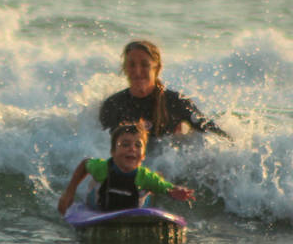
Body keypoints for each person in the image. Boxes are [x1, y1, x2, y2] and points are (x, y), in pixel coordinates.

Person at [99, 40, 229, 140]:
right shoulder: (113, 105)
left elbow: (214, 132)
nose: (137, 71)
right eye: (132, 65)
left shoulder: (176, 102)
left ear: (157, 68)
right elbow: (102, 147)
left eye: (145, 65)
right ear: (125, 68)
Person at [57, 123, 196, 215]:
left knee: (154, 184)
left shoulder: (144, 176)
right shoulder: (103, 168)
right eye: (125, 144)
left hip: (136, 199)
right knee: (96, 182)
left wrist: (174, 190)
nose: (132, 149)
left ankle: (152, 188)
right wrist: (69, 193)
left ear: (143, 156)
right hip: (99, 202)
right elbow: (85, 164)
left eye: (138, 145)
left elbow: (168, 188)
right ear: (112, 152)